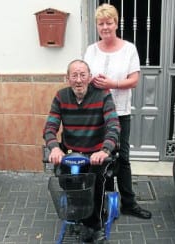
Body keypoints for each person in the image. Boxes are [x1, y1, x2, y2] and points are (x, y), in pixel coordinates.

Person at [84, 3, 152, 219]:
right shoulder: (90, 50)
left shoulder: (129, 49)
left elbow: (134, 80)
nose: (105, 27)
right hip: (95, 113)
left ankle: (129, 203)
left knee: (122, 158)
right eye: (101, 23)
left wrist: (111, 83)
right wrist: (90, 81)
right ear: (97, 26)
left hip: (120, 112)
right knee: (98, 157)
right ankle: (100, 202)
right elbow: (83, 77)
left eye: (109, 22)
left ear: (116, 23)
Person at [43, 59, 120, 243]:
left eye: (82, 75)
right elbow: (50, 127)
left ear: (89, 77)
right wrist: (54, 148)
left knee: (96, 185)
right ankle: (79, 215)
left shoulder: (103, 95)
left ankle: (96, 224)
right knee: (70, 184)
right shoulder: (61, 96)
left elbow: (114, 125)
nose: (78, 80)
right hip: (71, 154)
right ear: (67, 78)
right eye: (74, 75)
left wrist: (105, 150)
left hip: (95, 155)